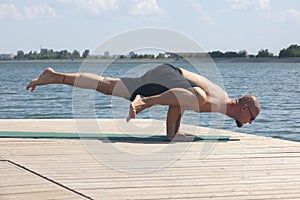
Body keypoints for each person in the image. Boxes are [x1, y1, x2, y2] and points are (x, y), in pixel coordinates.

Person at [26, 63, 260, 140]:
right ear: (245, 108)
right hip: (169, 76)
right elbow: (191, 96)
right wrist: (148, 101)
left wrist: (173, 135)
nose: (250, 123)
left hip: (166, 79)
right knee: (198, 97)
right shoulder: (220, 99)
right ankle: (144, 102)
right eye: (252, 118)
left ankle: (54, 76)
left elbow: (178, 102)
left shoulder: (221, 101)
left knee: (108, 86)